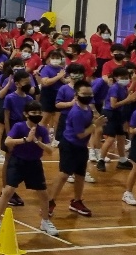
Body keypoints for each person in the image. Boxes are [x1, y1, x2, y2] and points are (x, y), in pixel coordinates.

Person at [0, 101, 58, 237]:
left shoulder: (42, 130)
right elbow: (7, 141)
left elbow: (50, 150)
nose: (37, 115)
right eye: (33, 112)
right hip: (18, 162)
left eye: (39, 112)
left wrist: (37, 142)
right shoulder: (19, 126)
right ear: (26, 114)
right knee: (8, 191)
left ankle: (45, 221)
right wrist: (25, 140)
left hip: (34, 163)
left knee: (44, 194)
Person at [48, 80, 101, 217]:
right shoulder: (76, 112)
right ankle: (50, 202)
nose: (88, 96)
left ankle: (77, 201)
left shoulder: (88, 109)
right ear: (76, 95)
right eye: (84, 94)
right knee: (64, 174)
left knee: (80, 175)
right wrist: (95, 125)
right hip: (69, 145)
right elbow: (80, 134)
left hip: (81, 147)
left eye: (90, 94)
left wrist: (95, 121)